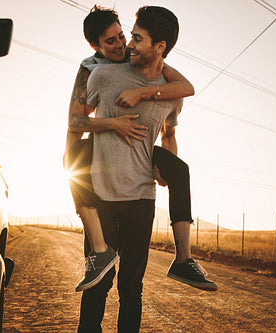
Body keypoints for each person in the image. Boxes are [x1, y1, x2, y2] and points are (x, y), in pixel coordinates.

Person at [64, 6, 217, 294]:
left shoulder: (145, 59)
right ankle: (99, 250)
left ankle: (184, 258)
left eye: (124, 36)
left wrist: (143, 92)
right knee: (74, 158)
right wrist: (111, 125)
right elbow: (74, 121)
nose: (123, 44)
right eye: (112, 41)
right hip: (104, 160)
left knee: (179, 168)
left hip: (142, 174)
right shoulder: (91, 69)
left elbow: (185, 87)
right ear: (95, 46)